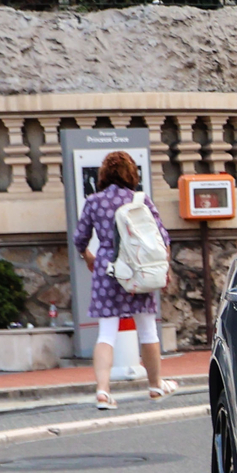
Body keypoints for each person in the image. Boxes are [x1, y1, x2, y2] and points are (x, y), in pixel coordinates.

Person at [73, 150, 174, 409]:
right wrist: (165, 268)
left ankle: (103, 392)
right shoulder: (141, 200)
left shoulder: (93, 202)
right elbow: (162, 238)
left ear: (103, 175)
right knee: (148, 329)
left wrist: (88, 257)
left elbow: (79, 238)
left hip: (108, 269)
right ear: (131, 174)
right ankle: (155, 385)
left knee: (106, 333)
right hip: (138, 269)